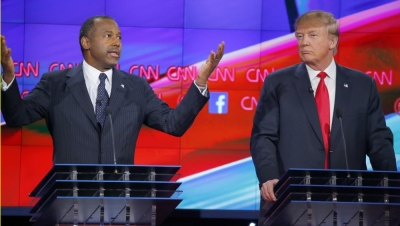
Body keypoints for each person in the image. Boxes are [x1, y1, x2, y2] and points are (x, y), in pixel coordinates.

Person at [1, 15, 224, 164]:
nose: (117, 42)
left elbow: (173, 124)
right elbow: (16, 116)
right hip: (68, 201)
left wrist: (201, 81)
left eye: (119, 37)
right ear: (86, 42)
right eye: (108, 36)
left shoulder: (136, 87)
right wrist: (9, 75)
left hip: (118, 204)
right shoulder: (55, 83)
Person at [250, 10, 397, 224]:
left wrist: (391, 187)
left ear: (332, 41)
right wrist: (269, 177)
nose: (304, 42)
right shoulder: (278, 83)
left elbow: (378, 141)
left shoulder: (362, 85)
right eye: (300, 36)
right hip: (290, 198)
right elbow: (263, 136)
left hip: (348, 202)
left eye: (312, 35)